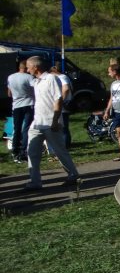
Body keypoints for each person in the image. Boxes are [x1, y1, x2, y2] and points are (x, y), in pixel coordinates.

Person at [24, 56, 81, 190]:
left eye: (28, 67)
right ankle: (35, 182)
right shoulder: (36, 82)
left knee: (59, 151)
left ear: (35, 67)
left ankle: (73, 175)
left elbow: (58, 99)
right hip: (37, 123)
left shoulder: (51, 79)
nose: (27, 70)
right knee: (32, 152)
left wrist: (55, 120)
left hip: (50, 122)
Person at [7, 60, 34, 164]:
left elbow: (9, 93)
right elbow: (34, 91)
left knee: (16, 128)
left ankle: (15, 149)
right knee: (26, 128)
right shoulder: (29, 77)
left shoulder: (11, 77)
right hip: (28, 103)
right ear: (26, 67)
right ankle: (24, 150)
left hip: (16, 105)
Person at [50, 66, 73, 148]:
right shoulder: (62, 77)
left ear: (55, 70)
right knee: (63, 126)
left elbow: (66, 88)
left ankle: (65, 145)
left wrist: (61, 100)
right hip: (63, 104)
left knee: (63, 127)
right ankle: (65, 144)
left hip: (64, 105)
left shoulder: (62, 77)